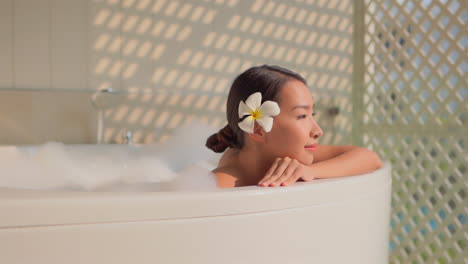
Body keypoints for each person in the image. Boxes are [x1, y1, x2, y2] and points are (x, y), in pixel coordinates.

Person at [206, 65, 382, 188]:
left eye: (311, 115)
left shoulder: (290, 157)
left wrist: (310, 171)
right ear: (258, 129)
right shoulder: (220, 186)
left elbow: (371, 159)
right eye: (302, 116)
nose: (318, 131)